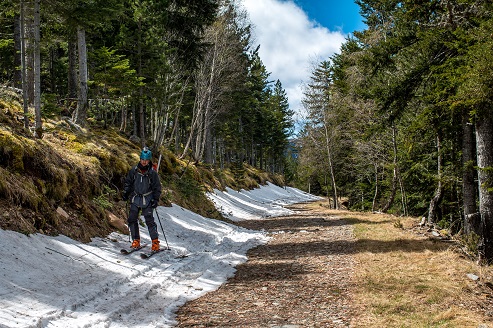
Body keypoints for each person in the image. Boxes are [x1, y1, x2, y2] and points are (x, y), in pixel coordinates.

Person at [122, 147, 162, 251]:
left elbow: (157, 187)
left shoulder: (152, 173)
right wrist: (126, 192)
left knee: (149, 221)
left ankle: (155, 242)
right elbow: (128, 183)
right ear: (140, 159)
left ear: (149, 161)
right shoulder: (134, 171)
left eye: (146, 160)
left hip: (147, 199)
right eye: (142, 159)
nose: (144, 162)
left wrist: (155, 199)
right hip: (135, 199)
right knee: (132, 219)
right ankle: (136, 240)